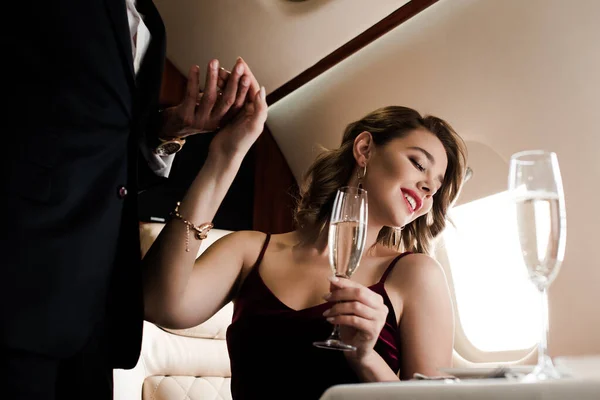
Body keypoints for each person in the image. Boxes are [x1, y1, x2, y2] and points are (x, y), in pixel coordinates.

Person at [2, 0, 262, 398]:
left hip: (94, 311)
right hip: (20, 284)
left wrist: (171, 128)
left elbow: (110, 165)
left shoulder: (150, 22)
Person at [142, 105, 468, 399]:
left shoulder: (416, 275)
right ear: (365, 148)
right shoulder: (250, 251)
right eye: (418, 163)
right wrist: (224, 158)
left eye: (436, 188)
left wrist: (365, 358)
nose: (428, 189)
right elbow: (158, 303)